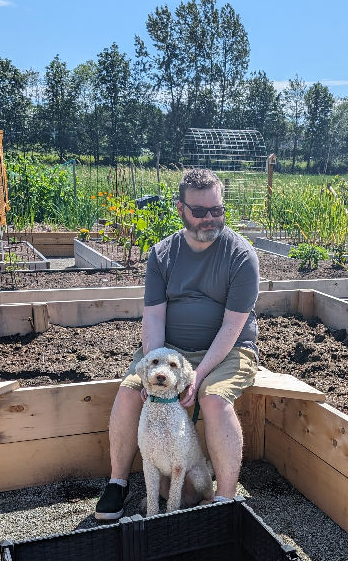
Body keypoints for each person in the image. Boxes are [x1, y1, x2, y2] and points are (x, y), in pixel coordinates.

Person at [94, 167, 259, 521]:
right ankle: (118, 482)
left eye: (217, 210)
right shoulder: (163, 254)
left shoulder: (241, 256)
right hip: (169, 352)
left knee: (213, 399)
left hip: (228, 348)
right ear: (180, 208)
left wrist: (196, 376)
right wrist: (155, 365)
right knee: (128, 391)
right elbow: (153, 317)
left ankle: (224, 500)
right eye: (200, 211)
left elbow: (233, 327)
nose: (210, 219)